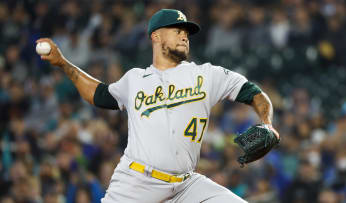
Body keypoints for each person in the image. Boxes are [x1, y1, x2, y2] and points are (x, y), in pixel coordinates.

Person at [37, 9, 279, 203]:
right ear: (156, 36)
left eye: (186, 32)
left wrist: (267, 123)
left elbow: (255, 94)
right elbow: (99, 95)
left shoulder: (207, 75)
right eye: (177, 30)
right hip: (137, 182)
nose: (184, 35)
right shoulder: (134, 79)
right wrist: (63, 63)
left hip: (186, 185)